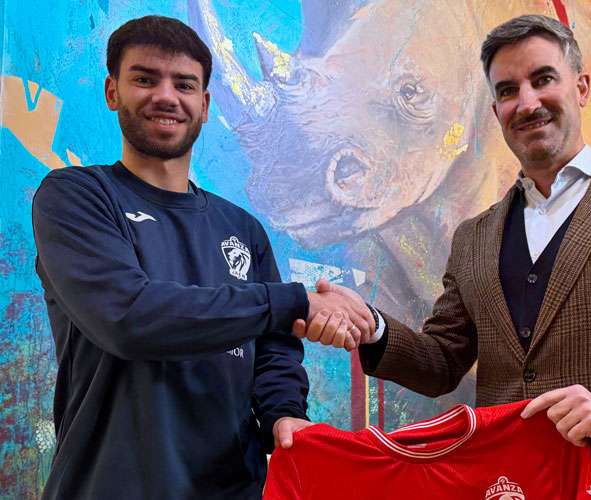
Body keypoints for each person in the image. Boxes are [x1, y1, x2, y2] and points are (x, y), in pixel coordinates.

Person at [295, 14, 591, 500]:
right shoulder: (475, 237)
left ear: (580, 87)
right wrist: (371, 326)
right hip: (506, 488)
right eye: (506, 90)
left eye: (542, 79)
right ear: (495, 110)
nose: (527, 103)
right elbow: (441, 363)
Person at [32, 15, 372, 500]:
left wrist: (284, 412)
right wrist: (294, 303)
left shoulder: (242, 229)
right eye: (145, 79)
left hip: (234, 487)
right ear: (112, 92)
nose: (166, 96)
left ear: (206, 104)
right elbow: (128, 317)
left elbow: (273, 346)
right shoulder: (76, 198)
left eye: (184, 84)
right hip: (107, 484)